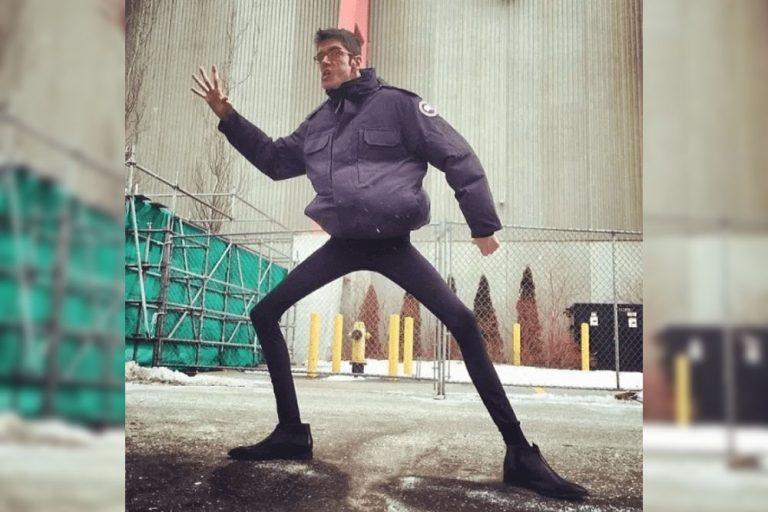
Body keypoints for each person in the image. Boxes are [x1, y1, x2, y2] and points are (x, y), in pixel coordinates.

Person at [191, 28, 588, 500]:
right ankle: (291, 433)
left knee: (463, 322)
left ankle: (521, 453)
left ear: (356, 60)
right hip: (343, 243)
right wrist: (228, 115)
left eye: (333, 54)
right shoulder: (318, 123)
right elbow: (275, 161)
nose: (324, 63)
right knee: (264, 313)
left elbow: (457, 156)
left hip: (392, 245)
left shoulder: (398, 106)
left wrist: (481, 224)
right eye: (318, 58)